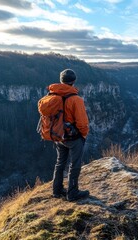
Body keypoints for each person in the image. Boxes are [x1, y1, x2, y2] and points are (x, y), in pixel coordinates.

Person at [50, 69, 90, 201]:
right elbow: (82, 123)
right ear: (73, 81)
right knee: (75, 164)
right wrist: (83, 135)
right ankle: (72, 193)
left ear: (61, 80)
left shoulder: (52, 95)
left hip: (58, 135)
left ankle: (57, 190)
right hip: (73, 137)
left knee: (59, 163)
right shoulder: (75, 99)